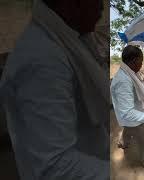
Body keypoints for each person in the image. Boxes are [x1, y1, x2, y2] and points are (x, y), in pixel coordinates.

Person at [0, 0, 109, 179]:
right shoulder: (42, 59)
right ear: (66, 4)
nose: (101, 5)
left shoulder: (75, 39)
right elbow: (54, 166)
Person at [111, 45, 144, 174]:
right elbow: (128, 113)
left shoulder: (129, 73)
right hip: (133, 117)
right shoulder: (123, 80)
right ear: (134, 60)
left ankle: (123, 142)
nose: (142, 64)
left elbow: (142, 86)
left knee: (127, 129)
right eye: (141, 61)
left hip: (131, 117)